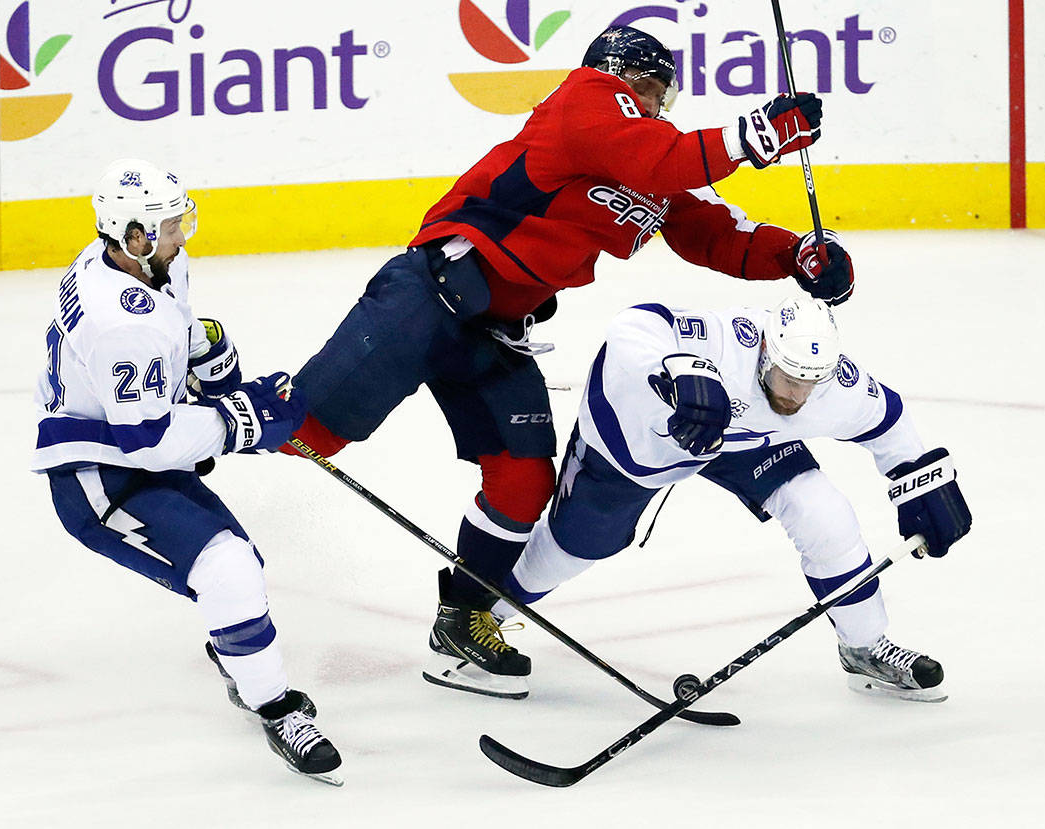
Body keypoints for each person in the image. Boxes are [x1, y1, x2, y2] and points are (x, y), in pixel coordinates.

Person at [283, 25, 854, 700]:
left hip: (495, 333)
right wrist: (750, 137)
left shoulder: (649, 161)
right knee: (301, 430)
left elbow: (708, 231)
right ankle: (172, 480)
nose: (658, 103)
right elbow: (657, 158)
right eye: (653, 89)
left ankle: (464, 614)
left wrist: (795, 255)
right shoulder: (587, 99)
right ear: (624, 75)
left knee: (524, 481)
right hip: (429, 295)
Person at [487, 296, 972, 701]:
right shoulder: (725, 341)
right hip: (639, 435)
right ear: (764, 351)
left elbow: (889, 423)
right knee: (578, 545)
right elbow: (635, 324)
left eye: (810, 383)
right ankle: (481, 617)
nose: (798, 396)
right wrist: (679, 370)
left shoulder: (830, 386)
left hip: (745, 441)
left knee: (824, 513)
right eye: (789, 379)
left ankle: (864, 645)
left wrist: (925, 483)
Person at [31, 159, 343, 784]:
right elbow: (147, 439)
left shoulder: (136, 265)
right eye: (172, 227)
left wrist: (220, 366)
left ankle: (236, 652)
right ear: (137, 238)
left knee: (239, 568)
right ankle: (275, 708)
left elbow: (178, 330)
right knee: (226, 573)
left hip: (132, 453)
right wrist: (240, 423)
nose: (184, 236)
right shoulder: (121, 321)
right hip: (100, 479)